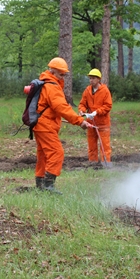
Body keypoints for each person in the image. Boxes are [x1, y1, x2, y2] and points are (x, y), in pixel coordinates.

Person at [32, 57, 91, 194]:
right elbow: (62, 107)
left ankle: (40, 184)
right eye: (60, 74)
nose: (62, 76)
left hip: (40, 124)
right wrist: (79, 120)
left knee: (44, 154)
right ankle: (48, 186)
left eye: (64, 74)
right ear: (52, 71)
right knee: (56, 152)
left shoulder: (45, 83)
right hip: (45, 125)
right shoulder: (51, 86)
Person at [78, 68, 113, 165]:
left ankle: (106, 164)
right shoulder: (87, 90)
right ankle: (92, 163)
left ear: (98, 79)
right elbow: (82, 104)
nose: (91, 80)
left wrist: (97, 112)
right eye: (90, 78)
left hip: (103, 124)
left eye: (93, 78)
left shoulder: (105, 91)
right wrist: (82, 111)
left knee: (105, 146)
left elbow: (108, 106)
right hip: (90, 123)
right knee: (91, 145)